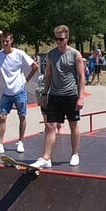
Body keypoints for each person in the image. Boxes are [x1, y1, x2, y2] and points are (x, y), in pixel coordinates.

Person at [32, 25, 87, 169]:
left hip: (70, 95)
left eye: (61, 39)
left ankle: (75, 154)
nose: (58, 42)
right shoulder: (51, 54)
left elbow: (81, 77)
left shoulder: (75, 54)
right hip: (54, 95)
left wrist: (81, 97)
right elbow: (48, 75)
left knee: (73, 124)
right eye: (56, 39)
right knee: (50, 126)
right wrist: (45, 93)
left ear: (67, 38)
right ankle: (46, 157)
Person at [0, 30, 39, 156]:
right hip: (6, 92)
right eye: (2, 41)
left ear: (11, 41)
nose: (4, 44)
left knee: (22, 116)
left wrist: (26, 80)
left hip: (19, 91)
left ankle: (21, 141)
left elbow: (35, 66)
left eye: (7, 41)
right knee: (2, 117)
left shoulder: (19, 54)